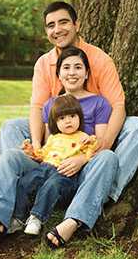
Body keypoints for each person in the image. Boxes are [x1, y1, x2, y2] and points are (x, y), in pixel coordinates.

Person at [0, 1, 138, 251]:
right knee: (10, 128)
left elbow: (117, 105)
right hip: (56, 135)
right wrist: (39, 148)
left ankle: (103, 192)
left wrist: (98, 149)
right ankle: (7, 212)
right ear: (46, 31)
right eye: (51, 25)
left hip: (93, 135)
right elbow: (38, 108)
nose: (57, 29)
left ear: (76, 25)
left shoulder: (99, 59)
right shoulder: (43, 63)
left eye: (63, 22)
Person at [21, 92, 108, 236]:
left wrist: (91, 143)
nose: (68, 121)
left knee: (52, 185)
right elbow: (43, 154)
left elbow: (91, 153)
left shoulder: (83, 137)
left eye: (72, 116)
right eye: (62, 118)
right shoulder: (53, 138)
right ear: (55, 122)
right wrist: (32, 151)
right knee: (24, 182)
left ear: (79, 117)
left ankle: (37, 218)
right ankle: (18, 216)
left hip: (65, 173)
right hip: (45, 168)